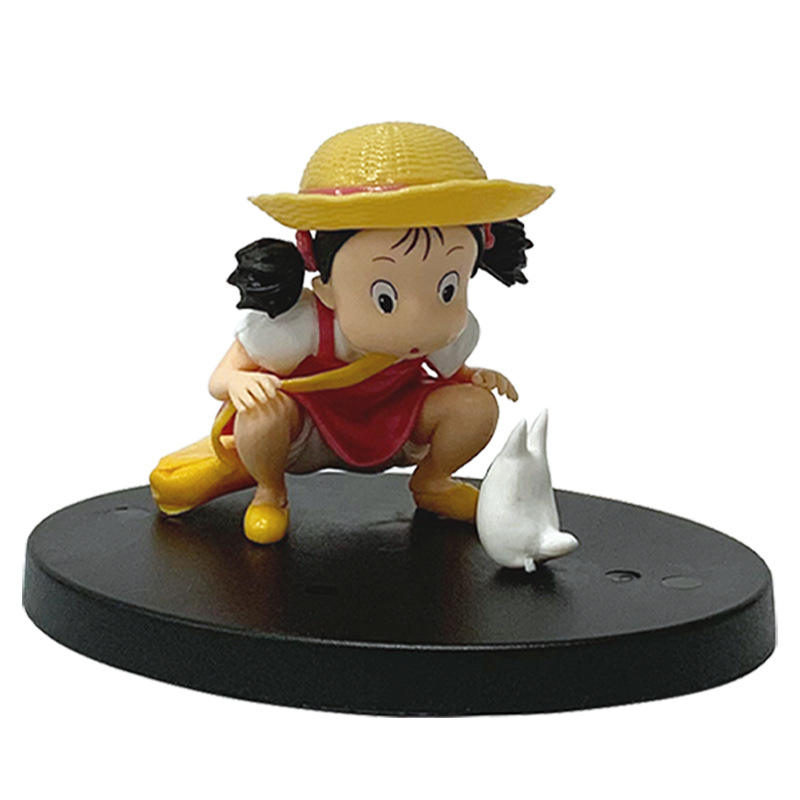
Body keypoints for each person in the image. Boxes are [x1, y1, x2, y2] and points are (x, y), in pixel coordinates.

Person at [151, 122, 554, 543]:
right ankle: (270, 493)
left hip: (397, 421)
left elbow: (452, 376)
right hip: (307, 430)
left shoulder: (453, 333)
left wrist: (475, 377)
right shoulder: (296, 326)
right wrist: (239, 382)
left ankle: (433, 482)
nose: (418, 319)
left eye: (447, 290)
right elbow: (219, 379)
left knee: (476, 407)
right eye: (386, 298)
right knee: (261, 417)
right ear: (325, 285)